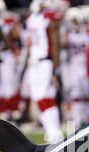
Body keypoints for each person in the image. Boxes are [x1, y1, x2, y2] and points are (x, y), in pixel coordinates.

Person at [24, 0, 63, 144]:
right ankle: (52, 131)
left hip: (45, 61)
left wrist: (55, 66)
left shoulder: (49, 17)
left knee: (46, 96)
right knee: (39, 96)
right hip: (34, 62)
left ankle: (54, 132)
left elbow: (56, 42)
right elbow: (29, 43)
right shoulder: (31, 18)